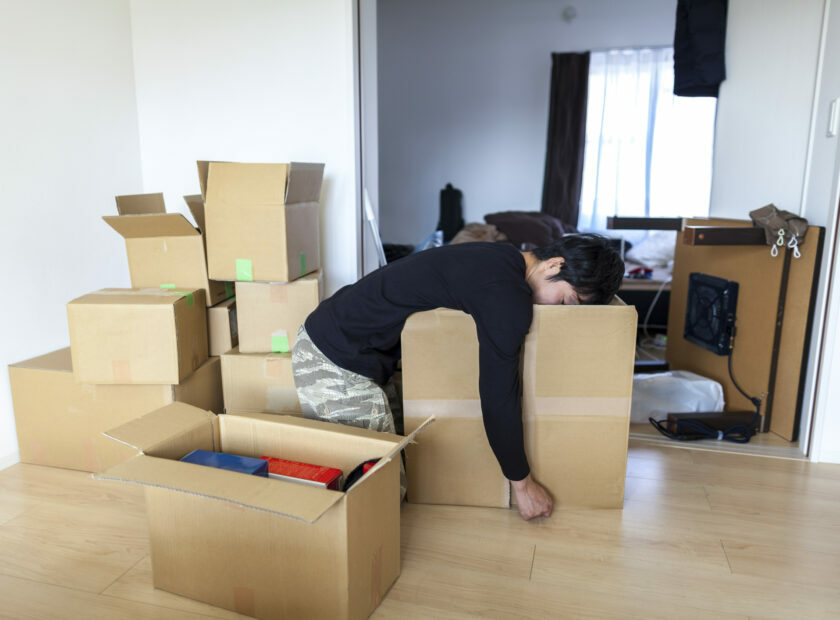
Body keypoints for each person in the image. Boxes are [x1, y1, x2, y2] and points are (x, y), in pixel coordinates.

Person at [291, 233, 624, 521]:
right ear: (554, 265)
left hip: (354, 345)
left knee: (401, 466)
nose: (556, 312)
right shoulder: (506, 295)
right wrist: (521, 483)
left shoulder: (503, 257)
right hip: (333, 356)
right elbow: (498, 395)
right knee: (378, 493)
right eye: (564, 300)